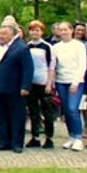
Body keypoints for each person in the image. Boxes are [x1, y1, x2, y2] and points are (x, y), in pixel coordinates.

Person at [0, 24, 33, 153]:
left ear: (12, 35)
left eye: (4, 34)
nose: (1, 36)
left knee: (16, 117)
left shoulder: (21, 48)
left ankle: (17, 143)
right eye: (0, 33)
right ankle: (3, 141)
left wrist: (25, 86)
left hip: (14, 89)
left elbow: (28, 69)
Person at [49, 21, 87, 151]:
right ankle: (71, 136)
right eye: (61, 30)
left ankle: (78, 137)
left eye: (66, 29)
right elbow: (53, 66)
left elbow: (82, 65)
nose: (63, 32)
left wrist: (76, 82)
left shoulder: (79, 46)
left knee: (73, 108)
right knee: (66, 110)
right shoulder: (56, 47)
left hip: (75, 81)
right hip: (61, 81)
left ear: (71, 30)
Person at [24, 21, 55, 149]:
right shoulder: (27, 46)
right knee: (33, 111)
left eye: (37, 30)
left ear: (42, 32)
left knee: (47, 111)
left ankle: (49, 137)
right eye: (32, 30)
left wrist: (49, 83)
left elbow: (52, 66)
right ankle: (35, 136)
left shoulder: (47, 47)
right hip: (31, 83)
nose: (35, 32)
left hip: (43, 82)